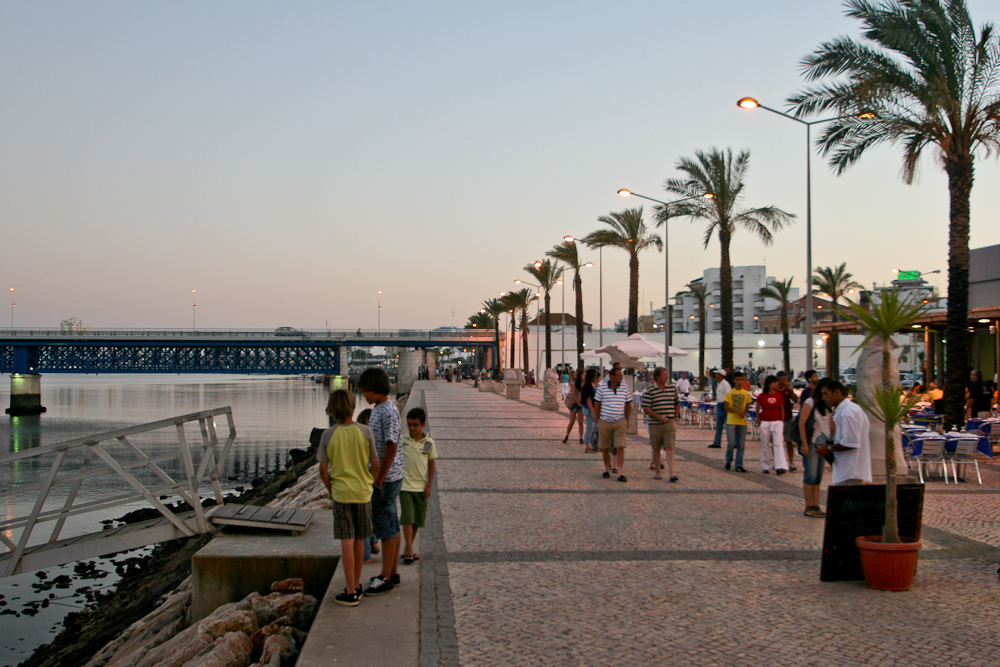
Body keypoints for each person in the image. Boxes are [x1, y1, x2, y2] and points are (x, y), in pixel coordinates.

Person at [318, 390, 380, 607]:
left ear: (332, 410)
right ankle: (357, 584)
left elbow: (323, 469)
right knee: (361, 538)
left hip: (341, 494)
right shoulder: (365, 431)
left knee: (347, 539)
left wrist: (330, 488)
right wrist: (369, 483)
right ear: (354, 408)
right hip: (362, 493)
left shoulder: (328, 435)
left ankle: (350, 589)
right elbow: (376, 464)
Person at [359, 367, 405, 597]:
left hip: (386, 478)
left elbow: (391, 446)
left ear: (376, 389)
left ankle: (385, 577)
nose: (364, 395)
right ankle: (393, 572)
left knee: (386, 528)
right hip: (388, 476)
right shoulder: (381, 408)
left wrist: (379, 479)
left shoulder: (387, 411)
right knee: (392, 525)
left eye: (366, 391)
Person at [400, 407, 436, 565]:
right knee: (407, 518)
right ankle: (409, 548)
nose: (412, 428)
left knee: (416, 520)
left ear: (423, 424)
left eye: (415, 425)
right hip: (405, 486)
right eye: (409, 425)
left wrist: (429, 485)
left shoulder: (428, 443)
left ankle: (409, 547)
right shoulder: (402, 441)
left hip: (421, 487)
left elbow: (431, 464)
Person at [817, 381, 872, 485]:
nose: (823, 398)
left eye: (825, 394)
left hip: (851, 474)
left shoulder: (848, 412)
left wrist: (828, 448)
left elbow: (850, 443)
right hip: (849, 472)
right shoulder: (847, 410)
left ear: (837, 393)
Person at [799, 377, 835, 517]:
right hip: (812, 442)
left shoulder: (827, 407)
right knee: (810, 475)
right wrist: (804, 443)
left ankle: (816, 505)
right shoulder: (810, 403)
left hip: (823, 444)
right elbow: (802, 423)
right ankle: (809, 506)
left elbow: (830, 424)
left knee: (818, 476)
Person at [594, 364, 633, 482]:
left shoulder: (625, 388)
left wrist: (626, 419)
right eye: (619, 375)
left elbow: (628, 404)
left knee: (620, 446)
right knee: (605, 447)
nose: (621, 377)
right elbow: (597, 403)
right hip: (605, 421)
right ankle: (606, 469)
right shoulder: (602, 388)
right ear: (612, 377)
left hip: (619, 421)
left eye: (621, 375)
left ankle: (620, 472)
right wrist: (598, 419)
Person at [642, 367, 680, 481]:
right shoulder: (650, 391)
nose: (666, 377)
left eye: (666, 374)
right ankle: (658, 471)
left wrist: (675, 417)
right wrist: (658, 417)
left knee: (670, 447)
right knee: (656, 448)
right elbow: (646, 408)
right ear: (657, 377)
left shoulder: (672, 389)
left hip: (669, 422)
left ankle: (672, 473)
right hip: (655, 424)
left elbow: (677, 403)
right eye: (664, 375)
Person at [356, 408, 378, 564]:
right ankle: (373, 541)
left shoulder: (361, 438)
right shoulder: (376, 438)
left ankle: (365, 556)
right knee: (369, 514)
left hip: (362, 481)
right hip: (373, 480)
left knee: (360, 521)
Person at [755, 375, 788, 475]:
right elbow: (757, 409)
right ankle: (765, 465)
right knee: (765, 445)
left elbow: (781, 408)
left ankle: (780, 466)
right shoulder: (762, 396)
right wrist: (759, 421)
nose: (776, 384)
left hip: (777, 421)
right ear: (769, 384)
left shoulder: (778, 395)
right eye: (774, 382)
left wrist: (781, 420)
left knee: (778, 444)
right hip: (765, 421)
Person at [723, 372, 752, 473]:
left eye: (741, 380)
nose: (739, 382)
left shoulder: (746, 394)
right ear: (734, 381)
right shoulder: (730, 393)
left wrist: (744, 412)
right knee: (731, 443)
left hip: (742, 421)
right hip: (731, 420)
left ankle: (739, 464)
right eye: (738, 380)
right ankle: (728, 460)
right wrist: (736, 411)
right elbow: (726, 407)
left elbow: (747, 406)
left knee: (741, 444)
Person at [776, 371, 798, 471]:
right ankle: (779, 461)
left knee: (789, 441)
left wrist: (791, 390)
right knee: (777, 442)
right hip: (777, 419)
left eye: (786, 379)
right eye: (783, 379)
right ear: (778, 379)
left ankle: (791, 462)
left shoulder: (787, 389)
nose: (785, 381)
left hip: (788, 417)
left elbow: (796, 400)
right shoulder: (774, 390)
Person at [709, 369, 731, 449]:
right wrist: (711, 399)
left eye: (716, 374)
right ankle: (717, 442)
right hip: (719, 404)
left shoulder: (725, 384)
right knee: (719, 426)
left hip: (724, 405)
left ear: (721, 375)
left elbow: (728, 395)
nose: (715, 376)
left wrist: (726, 407)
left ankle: (731, 442)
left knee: (728, 425)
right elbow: (719, 395)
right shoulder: (719, 384)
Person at [562, 369, 585, 444]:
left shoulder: (585, 384)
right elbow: (574, 395)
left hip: (581, 404)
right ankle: (566, 435)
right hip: (575, 404)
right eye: (583, 375)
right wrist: (579, 403)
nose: (584, 376)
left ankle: (581, 437)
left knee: (580, 422)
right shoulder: (575, 384)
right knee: (571, 422)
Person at [581, 368, 600, 453]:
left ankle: (591, 444)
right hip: (589, 409)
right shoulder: (587, 385)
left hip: (593, 409)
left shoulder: (592, 384)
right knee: (590, 427)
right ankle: (587, 446)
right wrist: (593, 411)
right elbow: (588, 399)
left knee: (594, 427)